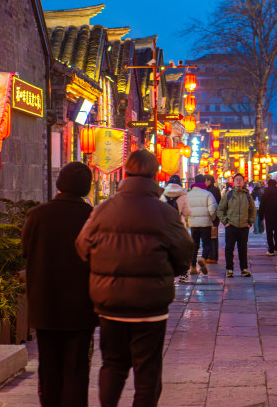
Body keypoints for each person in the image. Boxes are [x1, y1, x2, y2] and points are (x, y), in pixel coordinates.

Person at [76, 150, 193, 407]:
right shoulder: (165, 213)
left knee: (113, 365)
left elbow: (83, 246)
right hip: (150, 304)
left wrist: (103, 270)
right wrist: (164, 273)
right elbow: (184, 253)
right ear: (154, 175)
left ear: (125, 173)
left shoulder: (103, 209)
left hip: (111, 303)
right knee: (147, 370)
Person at [22, 161, 97, 407]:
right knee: (77, 366)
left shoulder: (38, 215)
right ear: (86, 187)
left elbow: (25, 251)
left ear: (59, 184)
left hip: (45, 303)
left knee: (49, 364)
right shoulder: (91, 217)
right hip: (81, 306)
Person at [217, 173, 256, 277]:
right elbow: (220, 210)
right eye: (236, 180)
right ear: (233, 182)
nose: (238, 181)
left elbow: (253, 210)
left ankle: (244, 269)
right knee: (229, 248)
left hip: (244, 226)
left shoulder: (247, 195)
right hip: (231, 226)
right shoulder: (228, 195)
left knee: (243, 249)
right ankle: (229, 269)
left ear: (243, 182)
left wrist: (249, 223)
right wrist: (226, 222)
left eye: (240, 180)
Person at [187, 174, 217, 276]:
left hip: (193, 224)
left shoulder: (188, 194)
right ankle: (203, 259)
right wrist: (212, 219)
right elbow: (213, 209)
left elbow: (185, 210)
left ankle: (193, 267)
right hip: (205, 224)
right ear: (204, 182)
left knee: (194, 246)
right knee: (207, 244)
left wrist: (188, 220)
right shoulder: (208, 194)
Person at [258, 179, 277, 256]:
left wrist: (261, 216)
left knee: (269, 233)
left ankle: (271, 249)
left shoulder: (265, 194)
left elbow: (262, 206)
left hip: (269, 216)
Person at [205, 175, 221, 263]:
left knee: (213, 237)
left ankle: (213, 257)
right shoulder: (213, 190)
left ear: (209, 181)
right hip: (213, 217)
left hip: (213, 217)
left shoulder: (212, 191)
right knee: (212, 236)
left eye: (205, 180)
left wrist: (213, 217)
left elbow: (214, 206)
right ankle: (211, 256)